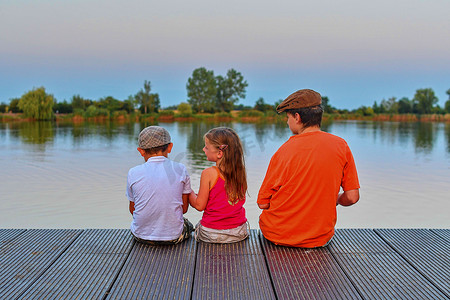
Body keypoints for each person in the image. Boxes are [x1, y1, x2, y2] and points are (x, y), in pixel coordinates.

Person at [257, 89, 360, 248]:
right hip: (319, 239)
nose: (287, 122)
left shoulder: (284, 151)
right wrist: (336, 200)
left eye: (288, 117)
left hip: (277, 235)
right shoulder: (341, 146)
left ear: (297, 117)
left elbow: (263, 203)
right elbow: (352, 197)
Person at [126, 126, 194, 245]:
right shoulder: (180, 169)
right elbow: (183, 209)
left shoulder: (133, 172)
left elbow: (133, 209)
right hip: (173, 236)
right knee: (188, 224)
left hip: (141, 236)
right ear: (170, 147)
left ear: (141, 151)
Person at [189, 127, 249, 243]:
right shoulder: (240, 172)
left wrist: (188, 191)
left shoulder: (208, 173)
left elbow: (199, 205)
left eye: (206, 147)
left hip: (212, 233)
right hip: (238, 232)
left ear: (219, 153)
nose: (203, 149)